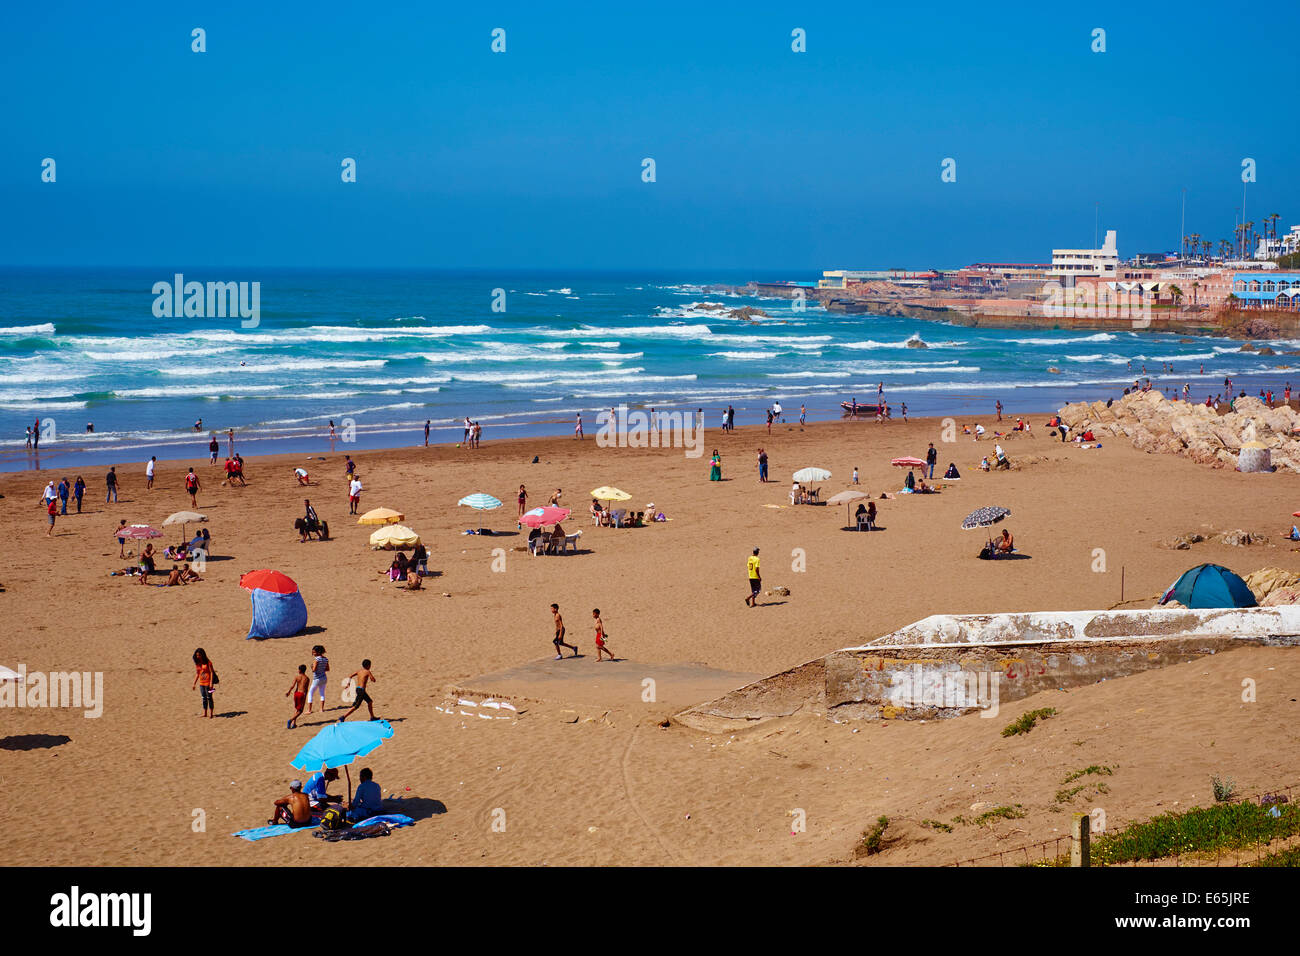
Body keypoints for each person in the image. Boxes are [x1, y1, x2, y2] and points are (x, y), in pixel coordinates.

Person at [192, 648, 216, 718]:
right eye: (197, 655)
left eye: (199, 655)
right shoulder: (198, 663)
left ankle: (211, 714)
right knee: (204, 698)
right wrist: (194, 683)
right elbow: (197, 673)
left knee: (210, 698)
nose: (198, 657)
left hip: (208, 683)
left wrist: (211, 683)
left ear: (202, 655)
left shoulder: (208, 662)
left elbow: (211, 672)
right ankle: (205, 713)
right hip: (201, 684)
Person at [306, 645, 329, 714]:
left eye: (314, 652)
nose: (313, 654)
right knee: (322, 693)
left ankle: (309, 710)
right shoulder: (326, 659)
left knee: (310, 693)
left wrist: (312, 666)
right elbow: (327, 669)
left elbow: (314, 670)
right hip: (324, 678)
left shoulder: (317, 660)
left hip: (317, 678)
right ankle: (321, 709)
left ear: (318, 652)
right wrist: (321, 668)